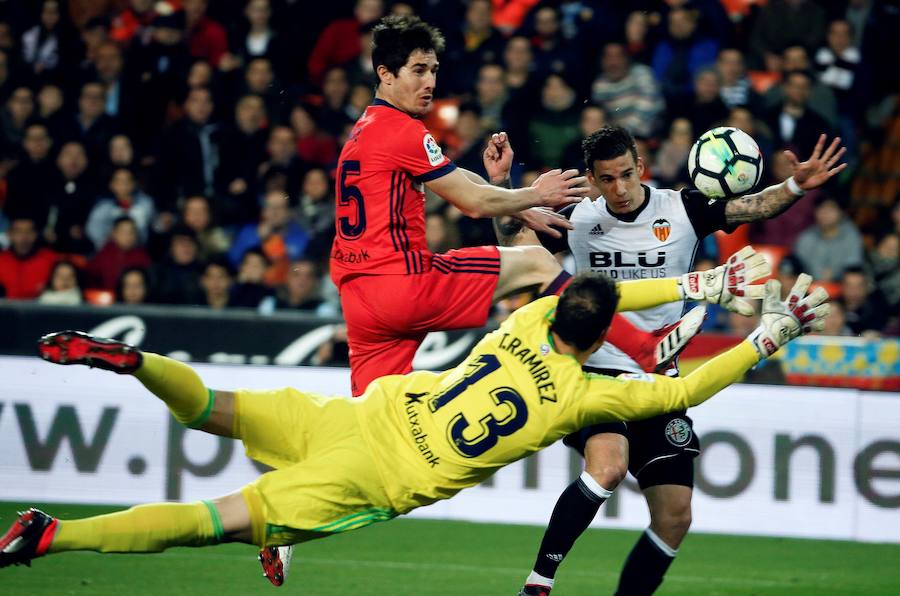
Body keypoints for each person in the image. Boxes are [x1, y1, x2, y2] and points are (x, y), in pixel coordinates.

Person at [0, 272, 830, 580]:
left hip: (356, 414)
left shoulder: (529, 320)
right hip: (374, 478)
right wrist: (764, 332)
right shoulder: (586, 399)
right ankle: (53, 538)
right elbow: (689, 389)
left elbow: (598, 288)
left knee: (213, 407)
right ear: (602, 333)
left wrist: (694, 280)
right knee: (208, 522)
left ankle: (137, 363)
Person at [502, 125, 846, 596]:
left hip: (657, 378)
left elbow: (753, 206)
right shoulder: (576, 217)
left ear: (640, 167)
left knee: (675, 516)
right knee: (607, 466)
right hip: (592, 370)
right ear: (592, 178)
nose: (619, 189)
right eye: (606, 179)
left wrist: (795, 186)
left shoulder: (681, 208)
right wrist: (503, 189)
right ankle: (537, 585)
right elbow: (516, 251)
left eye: (626, 174)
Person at [330, 15, 688, 400]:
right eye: (418, 70)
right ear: (385, 73)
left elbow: (463, 181)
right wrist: (536, 195)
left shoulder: (365, 128)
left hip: (359, 300)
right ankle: (641, 347)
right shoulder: (405, 130)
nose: (430, 82)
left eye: (433, 70)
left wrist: (517, 207)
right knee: (536, 261)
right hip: (405, 283)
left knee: (375, 411)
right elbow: (473, 202)